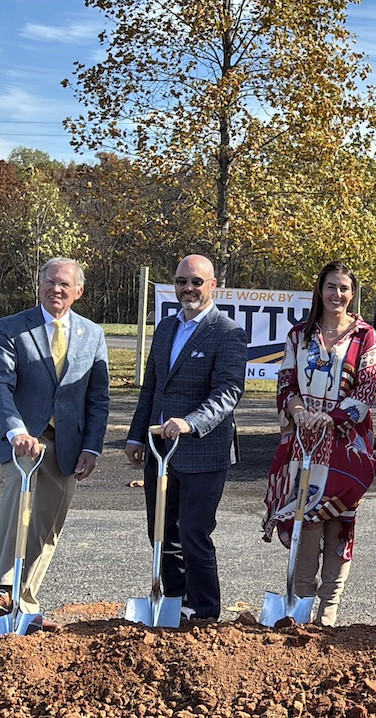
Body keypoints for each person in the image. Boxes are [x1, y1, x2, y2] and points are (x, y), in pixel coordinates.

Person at [125, 254, 247, 621]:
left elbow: (228, 391)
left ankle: (205, 611)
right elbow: (153, 387)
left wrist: (191, 422)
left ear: (213, 286)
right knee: (161, 531)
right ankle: (174, 603)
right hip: (160, 448)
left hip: (203, 451)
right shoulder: (165, 328)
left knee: (194, 533)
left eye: (196, 281)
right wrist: (135, 436)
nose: (188, 289)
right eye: (181, 281)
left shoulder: (227, 332)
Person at [262, 261, 376, 626]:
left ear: (353, 293)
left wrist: (333, 417)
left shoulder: (365, 335)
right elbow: (286, 382)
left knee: (340, 524)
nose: (337, 295)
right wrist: (298, 412)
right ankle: (301, 606)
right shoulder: (300, 334)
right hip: (305, 443)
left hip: (347, 446)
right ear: (320, 290)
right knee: (305, 520)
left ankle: (328, 611)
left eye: (344, 288)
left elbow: (368, 388)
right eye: (331, 287)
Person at [0, 258, 110, 631]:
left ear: (78, 292)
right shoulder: (12, 329)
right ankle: (4, 593)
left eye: (64, 284)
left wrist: (92, 447)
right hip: (22, 445)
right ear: (39, 285)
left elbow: (98, 397)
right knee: (18, 511)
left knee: (48, 528)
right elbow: (1, 386)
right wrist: (15, 431)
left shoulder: (92, 334)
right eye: (50, 282)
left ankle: (25, 602)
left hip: (67, 446)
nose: (56, 289)